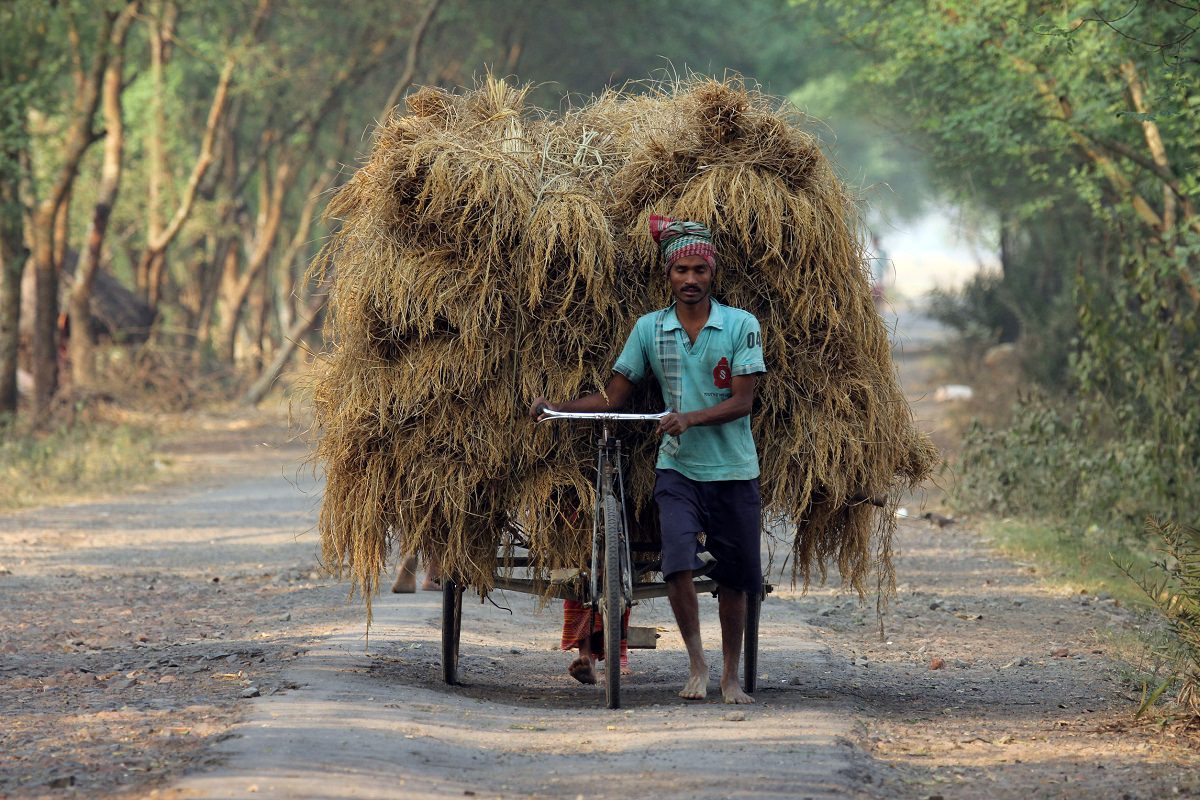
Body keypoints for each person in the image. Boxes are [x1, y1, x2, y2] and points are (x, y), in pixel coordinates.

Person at [531, 214, 767, 704]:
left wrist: (689, 418)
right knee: (677, 564)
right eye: (681, 271)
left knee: (735, 579)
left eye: (699, 270)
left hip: (734, 470)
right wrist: (555, 406)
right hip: (676, 468)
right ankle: (697, 665)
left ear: (712, 274)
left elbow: (743, 402)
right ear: (668, 276)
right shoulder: (649, 329)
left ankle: (730, 677)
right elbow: (613, 397)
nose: (690, 280)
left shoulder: (741, 326)